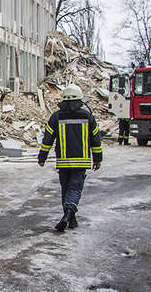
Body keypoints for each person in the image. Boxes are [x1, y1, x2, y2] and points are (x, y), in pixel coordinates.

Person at [37, 84, 103, 231]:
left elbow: (47, 139)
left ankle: (70, 219)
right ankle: (69, 214)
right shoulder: (87, 116)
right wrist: (97, 159)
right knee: (75, 189)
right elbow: (95, 140)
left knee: (66, 189)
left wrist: (42, 157)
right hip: (81, 161)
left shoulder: (56, 116)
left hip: (63, 162)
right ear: (79, 98)